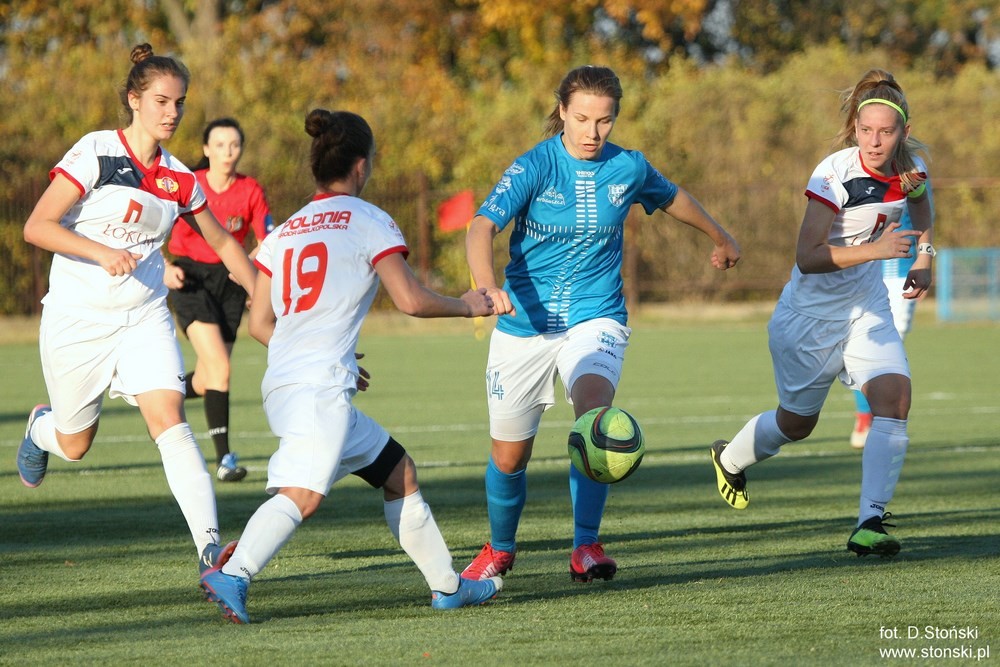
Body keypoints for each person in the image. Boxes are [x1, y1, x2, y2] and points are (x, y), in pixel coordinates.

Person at [200, 109, 502, 624]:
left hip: (288, 381)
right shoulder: (368, 220)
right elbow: (410, 299)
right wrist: (468, 304)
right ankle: (234, 573)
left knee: (399, 473)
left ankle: (448, 587)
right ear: (361, 165)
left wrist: (323, 351)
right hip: (319, 388)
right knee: (303, 495)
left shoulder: (285, 231)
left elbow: (260, 324)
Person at [461, 65, 741, 584]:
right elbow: (481, 227)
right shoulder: (533, 166)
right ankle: (500, 549)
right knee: (509, 458)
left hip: (597, 315)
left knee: (596, 421)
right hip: (523, 323)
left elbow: (673, 197)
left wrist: (720, 236)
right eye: (582, 119)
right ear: (562, 112)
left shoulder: (628, 166)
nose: (593, 132)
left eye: (604, 120)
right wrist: (486, 285)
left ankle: (586, 545)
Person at [18, 43, 257, 577]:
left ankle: (210, 551)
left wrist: (270, 302)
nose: (172, 112)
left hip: (144, 315)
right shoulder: (97, 152)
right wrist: (101, 252)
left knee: (169, 418)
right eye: (161, 101)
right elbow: (37, 226)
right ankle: (39, 430)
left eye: (180, 103)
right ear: (134, 99)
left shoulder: (181, 179)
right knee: (74, 444)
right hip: (78, 319)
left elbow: (223, 243)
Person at [709, 69, 934, 558]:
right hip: (808, 318)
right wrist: (877, 250)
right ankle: (730, 458)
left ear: (905, 132)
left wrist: (924, 257)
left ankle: (870, 521)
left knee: (895, 400)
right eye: (866, 130)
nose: (875, 141)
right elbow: (808, 257)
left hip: (866, 308)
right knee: (797, 424)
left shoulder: (912, 169)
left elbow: (922, 207)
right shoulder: (833, 173)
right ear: (855, 128)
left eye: (886, 131)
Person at [164, 117, 274, 481]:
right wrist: (164, 266)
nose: (228, 152)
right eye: (220, 145)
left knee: (209, 377)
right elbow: (151, 229)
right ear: (206, 149)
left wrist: (251, 273)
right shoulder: (187, 185)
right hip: (190, 280)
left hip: (230, 283)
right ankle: (225, 459)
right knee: (221, 369)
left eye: (235, 145)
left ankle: (155, 393)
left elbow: (268, 241)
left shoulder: (250, 189)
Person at [849, 182, 934, 448]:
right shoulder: (853, 169)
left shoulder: (913, 168)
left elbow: (923, 213)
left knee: (886, 348)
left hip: (900, 272)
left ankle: (872, 419)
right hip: (862, 268)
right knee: (864, 345)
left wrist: (924, 260)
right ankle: (866, 417)